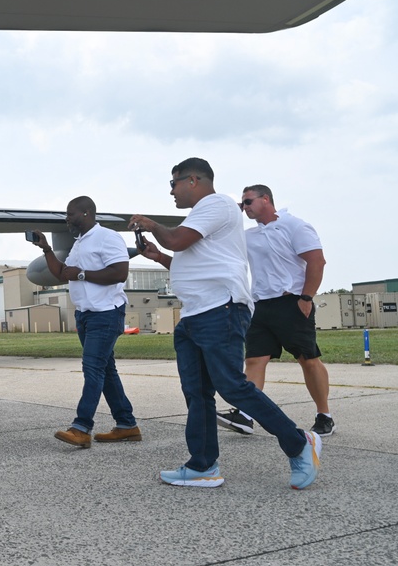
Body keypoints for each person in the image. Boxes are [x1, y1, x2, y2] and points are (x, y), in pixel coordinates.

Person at [129, 157, 321, 489]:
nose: (171, 192)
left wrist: (151, 224)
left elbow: (175, 239)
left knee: (232, 385)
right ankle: (203, 466)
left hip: (221, 309)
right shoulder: (201, 218)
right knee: (197, 393)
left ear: (192, 180)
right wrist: (158, 256)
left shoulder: (216, 204)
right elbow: (188, 260)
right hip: (194, 313)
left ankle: (299, 442)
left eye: (172, 184)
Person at [217, 185, 334, 437]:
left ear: (266, 199)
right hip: (260, 305)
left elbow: (317, 260)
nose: (245, 207)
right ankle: (246, 416)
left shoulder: (294, 226)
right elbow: (218, 239)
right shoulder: (249, 235)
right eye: (242, 204)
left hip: (291, 303)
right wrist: (232, 212)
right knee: (254, 359)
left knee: (307, 359)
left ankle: (324, 415)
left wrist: (306, 297)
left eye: (248, 202)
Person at [29, 196, 142, 448]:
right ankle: (127, 425)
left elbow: (119, 273)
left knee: (92, 368)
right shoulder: (79, 244)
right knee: (106, 371)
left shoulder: (108, 237)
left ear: (87, 213)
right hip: (86, 315)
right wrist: (46, 249)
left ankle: (81, 428)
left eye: (70, 214)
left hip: (106, 313)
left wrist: (81, 274)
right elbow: (61, 273)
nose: (67, 219)